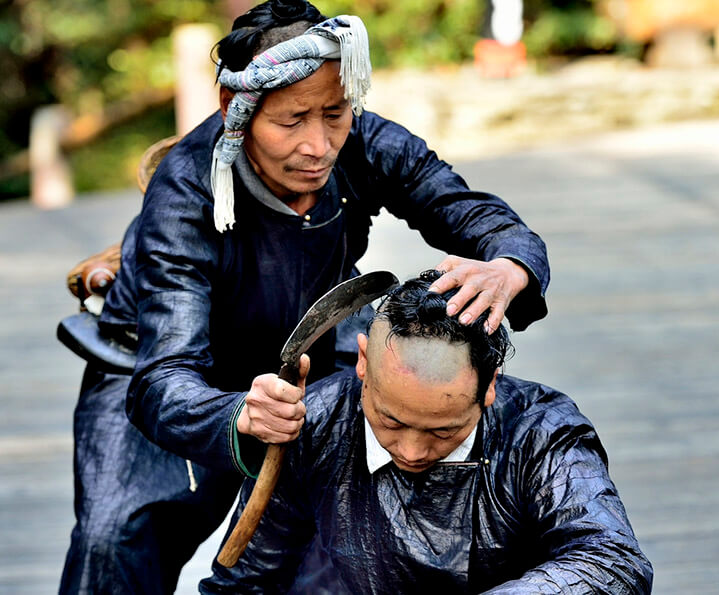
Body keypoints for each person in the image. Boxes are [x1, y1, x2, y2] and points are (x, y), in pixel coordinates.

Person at [59, 1, 551, 593]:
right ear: (235, 110)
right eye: (292, 122)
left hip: (310, 349)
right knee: (116, 541)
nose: (319, 146)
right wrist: (236, 412)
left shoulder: (367, 142)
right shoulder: (185, 189)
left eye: (334, 115)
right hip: (160, 370)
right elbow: (164, 375)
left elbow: (466, 210)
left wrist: (509, 263)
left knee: (349, 529)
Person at [201, 271, 653, 594]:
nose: (412, 451)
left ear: (490, 383)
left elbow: (612, 561)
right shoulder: (316, 422)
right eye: (391, 422)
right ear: (362, 362)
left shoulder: (539, 428)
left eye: (443, 431)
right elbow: (244, 581)